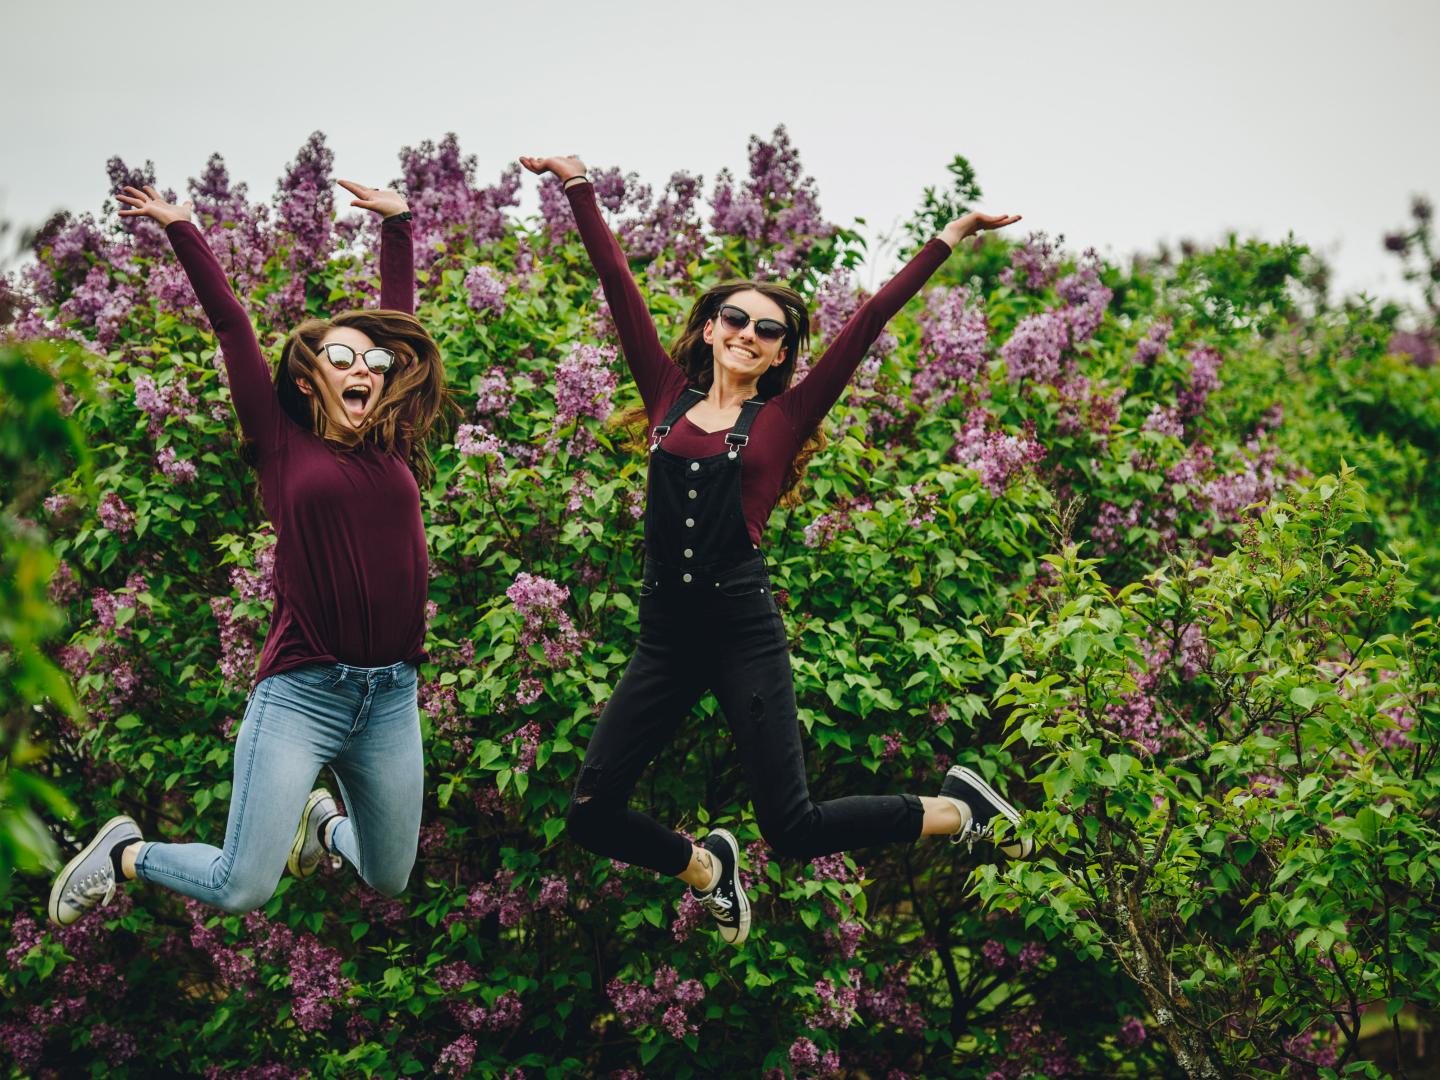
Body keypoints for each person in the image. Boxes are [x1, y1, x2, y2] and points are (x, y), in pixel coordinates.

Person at [519, 154, 1033, 947]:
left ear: (782, 351)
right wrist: (580, 184)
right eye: (736, 320)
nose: (749, 335)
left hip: (739, 632)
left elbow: (871, 319)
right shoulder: (666, 394)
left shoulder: (786, 417)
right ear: (711, 326)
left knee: (791, 828)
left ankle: (956, 808)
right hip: (665, 638)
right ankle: (704, 868)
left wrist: (951, 236)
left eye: (769, 330)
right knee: (592, 814)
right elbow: (617, 281)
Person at [48, 180, 449, 926]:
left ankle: (323, 824)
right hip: (303, 693)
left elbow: (401, 331)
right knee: (242, 888)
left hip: (391, 698)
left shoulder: (391, 439)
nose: (363, 369)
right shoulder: (279, 445)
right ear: (307, 378)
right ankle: (124, 853)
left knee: (389, 876)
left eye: (373, 363)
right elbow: (233, 327)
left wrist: (397, 226)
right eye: (341, 358)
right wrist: (183, 229)